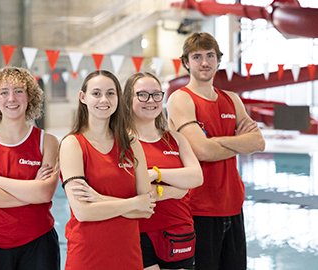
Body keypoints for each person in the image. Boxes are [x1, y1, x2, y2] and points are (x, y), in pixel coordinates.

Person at [167, 32, 266, 270]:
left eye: (210, 55)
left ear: (218, 60)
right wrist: (237, 140)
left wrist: (215, 142)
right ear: (186, 62)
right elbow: (202, 151)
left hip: (233, 205)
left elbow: (258, 143)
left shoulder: (232, 100)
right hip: (199, 208)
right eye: (197, 56)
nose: (204, 62)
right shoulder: (181, 99)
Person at [0, 66, 60, 270]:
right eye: (4, 92)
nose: (11, 99)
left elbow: (44, 193)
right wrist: (30, 190)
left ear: (29, 96)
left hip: (38, 243)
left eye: (19, 91)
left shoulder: (48, 142)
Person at [59, 70, 156, 270]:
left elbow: (146, 209)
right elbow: (83, 211)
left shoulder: (131, 144)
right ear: (82, 97)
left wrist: (100, 199)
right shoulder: (73, 144)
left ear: (118, 98)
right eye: (96, 93)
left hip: (127, 255)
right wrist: (134, 203)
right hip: (87, 256)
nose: (104, 99)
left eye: (111, 93)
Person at [123, 72, 203, 270]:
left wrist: (155, 174)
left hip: (178, 231)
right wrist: (176, 190)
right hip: (138, 232)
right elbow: (130, 191)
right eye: (142, 95)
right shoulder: (121, 142)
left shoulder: (175, 139)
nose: (151, 100)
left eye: (156, 94)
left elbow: (196, 177)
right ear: (128, 100)